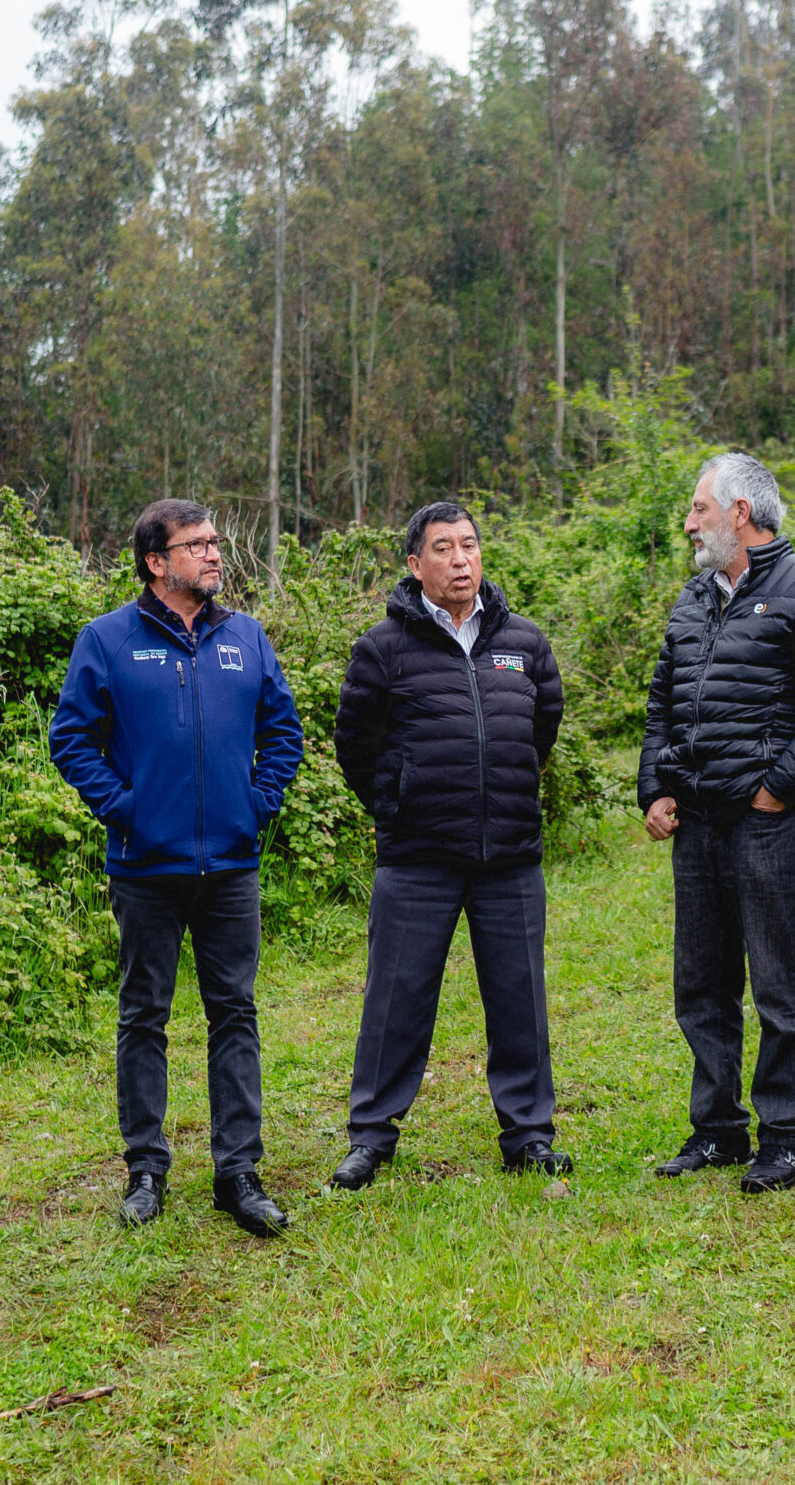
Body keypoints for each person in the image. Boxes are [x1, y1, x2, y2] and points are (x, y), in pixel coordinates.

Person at [50, 499, 305, 1238]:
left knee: (235, 1011)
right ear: (156, 561)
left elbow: (282, 730)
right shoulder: (107, 641)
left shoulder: (246, 638)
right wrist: (127, 808)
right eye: (197, 545)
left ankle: (239, 1173)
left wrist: (255, 805)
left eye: (216, 543)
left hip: (231, 864)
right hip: (145, 866)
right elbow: (71, 740)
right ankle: (146, 1170)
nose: (215, 555)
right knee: (144, 1015)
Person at [639, 453, 795, 1194]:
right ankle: (717, 1130)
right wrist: (657, 786)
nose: (688, 523)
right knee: (701, 984)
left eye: (699, 509)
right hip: (697, 821)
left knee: (780, 984)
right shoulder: (693, 598)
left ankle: (787, 1137)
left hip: (766, 825)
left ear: (740, 512)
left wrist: (778, 789)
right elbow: (662, 702)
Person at [327, 502, 570, 1189]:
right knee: (395, 1000)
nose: (461, 559)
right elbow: (355, 744)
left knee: (519, 997)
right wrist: (394, 801)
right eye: (443, 548)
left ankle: (528, 1134)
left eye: (470, 545)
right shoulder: (383, 648)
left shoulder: (523, 642)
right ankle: (371, 1137)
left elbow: (540, 729)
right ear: (415, 565)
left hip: (510, 857)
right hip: (418, 858)